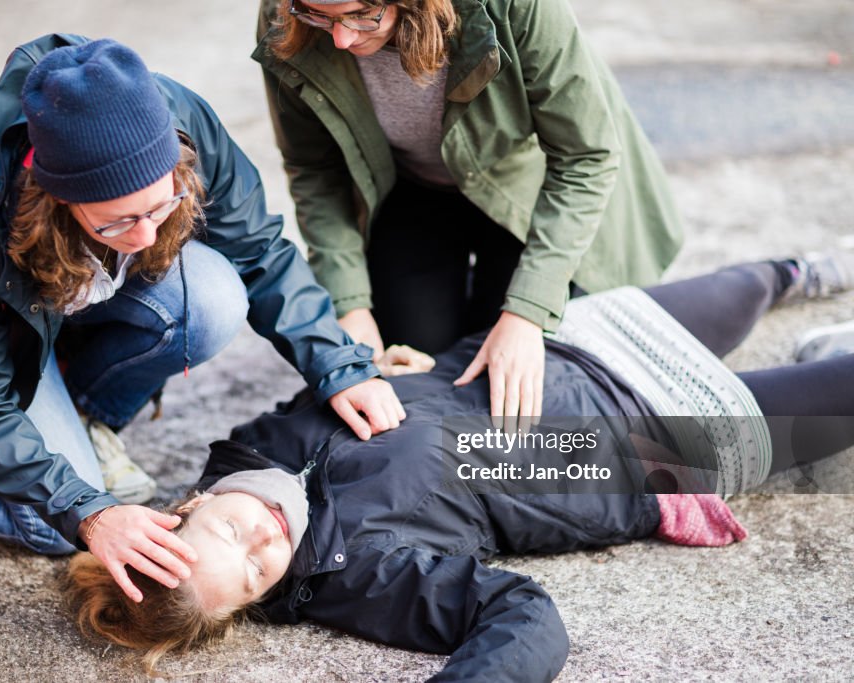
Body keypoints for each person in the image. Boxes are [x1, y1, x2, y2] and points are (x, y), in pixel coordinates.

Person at [65, 254, 854, 680]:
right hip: (640, 443)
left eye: (231, 532)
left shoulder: (249, 447)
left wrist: (400, 372)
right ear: (257, 602)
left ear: (190, 503)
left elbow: (367, 398)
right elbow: (523, 616)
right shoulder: (359, 572)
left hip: (553, 351)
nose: (262, 542)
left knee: (749, 283)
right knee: (840, 394)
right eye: (253, 576)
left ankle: (805, 279)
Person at [0, 35, 405, 604]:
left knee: (211, 296)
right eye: (116, 223)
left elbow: (255, 248)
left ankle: (79, 412)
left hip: (38, 315)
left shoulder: (175, 115)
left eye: (162, 205)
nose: (148, 236)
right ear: (54, 198)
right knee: (53, 526)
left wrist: (338, 363)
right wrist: (90, 513)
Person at [253, 0, 687, 427]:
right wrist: (350, 306)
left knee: (518, 378)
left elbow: (584, 157)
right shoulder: (287, 12)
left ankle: (758, 278)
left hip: (527, 189)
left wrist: (527, 313)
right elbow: (315, 169)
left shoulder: (516, 5)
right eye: (320, 16)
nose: (342, 38)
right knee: (413, 371)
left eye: (364, 15)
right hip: (411, 191)